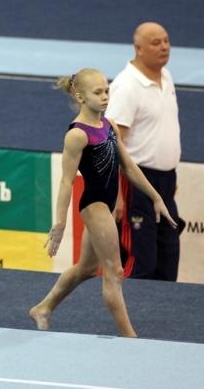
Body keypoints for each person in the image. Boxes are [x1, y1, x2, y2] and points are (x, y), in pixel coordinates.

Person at [29, 68, 175, 337]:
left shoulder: (110, 125)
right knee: (114, 271)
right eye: (98, 93)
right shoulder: (77, 134)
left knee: (86, 268)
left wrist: (156, 196)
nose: (106, 96)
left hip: (106, 203)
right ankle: (130, 337)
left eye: (107, 90)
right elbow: (66, 181)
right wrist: (60, 223)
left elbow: (128, 167)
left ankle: (44, 308)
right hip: (94, 204)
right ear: (81, 97)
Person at [108, 22, 182, 281]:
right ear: (138, 49)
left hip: (165, 180)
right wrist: (117, 194)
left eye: (166, 40)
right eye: (155, 43)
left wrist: (169, 174)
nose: (164, 47)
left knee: (169, 255)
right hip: (136, 182)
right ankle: (129, 307)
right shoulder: (127, 86)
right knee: (141, 260)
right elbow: (112, 142)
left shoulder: (166, 76)